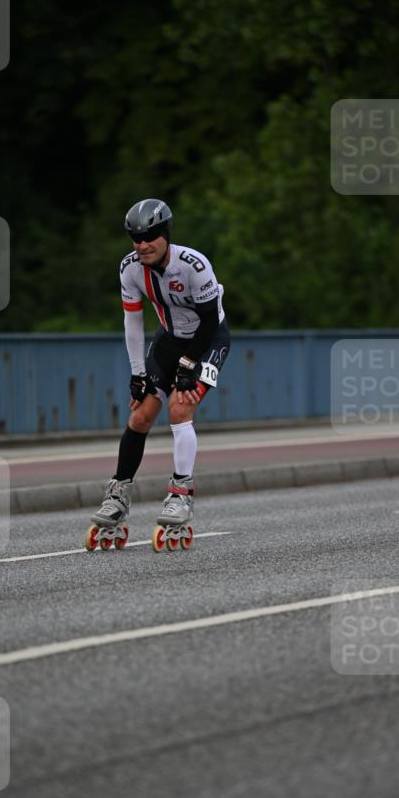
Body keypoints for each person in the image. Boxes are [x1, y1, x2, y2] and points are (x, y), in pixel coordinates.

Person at [88, 198, 230, 544]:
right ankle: (118, 494)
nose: (142, 245)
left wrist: (188, 366)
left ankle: (181, 494)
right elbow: (132, 321)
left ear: (165, 233)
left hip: (208, 340)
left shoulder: (194, 265)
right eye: (136, 238)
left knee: (180, 406)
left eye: (150, 236)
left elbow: (209, 321)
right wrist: (137, 373)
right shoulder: (130, 268)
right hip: (168, 341)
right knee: (140, 415)